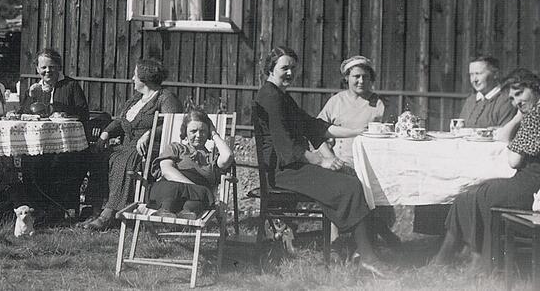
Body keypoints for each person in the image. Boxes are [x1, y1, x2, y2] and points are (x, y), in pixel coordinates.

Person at [253, 46, 389, 277]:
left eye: (292, 68)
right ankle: (368, 257)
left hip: (293, 166)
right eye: (284, 68)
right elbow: (286, 145)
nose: (289, 73)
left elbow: (313, 126)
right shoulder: (270, 97)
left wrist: (356, 131)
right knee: (351, 186)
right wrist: (320, 161)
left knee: (352, 177)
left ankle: (362, 249)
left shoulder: (282, 97)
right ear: (270, 69)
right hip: (283, 172)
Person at [432, 68, 540, 268]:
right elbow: (506, 139)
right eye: (512, 99)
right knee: (475, 192)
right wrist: (518, 116)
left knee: (472, 195)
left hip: (532, 187)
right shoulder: (532, 112)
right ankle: (471, 256)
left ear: (533, 88)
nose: (517, 102)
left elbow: (514, 160)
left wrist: (520, 121)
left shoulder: (535, 115)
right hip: (531, 183)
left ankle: (456, 258)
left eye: (519, 94)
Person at [83, 58, 183, 230]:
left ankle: (109, 214)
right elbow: (121, 121)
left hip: (152, 148)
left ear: (145, 78)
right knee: (100, 156)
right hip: (128, 145)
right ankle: (95, 209)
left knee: (125, 160)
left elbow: (173, 123)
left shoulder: (165, 98)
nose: (132, 79)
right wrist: (104, 135)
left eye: (135, 75)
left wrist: (150, 133)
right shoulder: (135, 99)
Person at [317, 55, 400, 246]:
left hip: (372, 164)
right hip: (342, 162)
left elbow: (393, 133)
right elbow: (316, 133)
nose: (361, 81)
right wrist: (329, 158)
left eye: (365, 77)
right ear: (347, 78)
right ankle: (337, 242)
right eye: (356, 76)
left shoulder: (380, 104)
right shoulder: (335, 102)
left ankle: (370, 238)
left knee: (372, 193)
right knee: (344, 189)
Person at [148, 110, 234, 219]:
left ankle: (186, 214)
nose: (198, 135)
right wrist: (192, 188)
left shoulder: (212, 156)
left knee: (198, 199)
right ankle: (165, 211)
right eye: (193, 131)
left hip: (198, 195)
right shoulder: (176, 148)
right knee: (173, 192)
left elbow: (228, 157)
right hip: (172, 186)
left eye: (203, 131)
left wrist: (214, 134)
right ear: (185, 132)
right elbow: (167, 170)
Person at [21, 48, 88, 121]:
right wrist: (30, 97)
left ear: (59, 67)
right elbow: (23, 114)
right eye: (43, 67)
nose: (48, 70)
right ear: (37, 69)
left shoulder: (71, 85)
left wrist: (66, 114)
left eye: (51, 67)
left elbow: (84, 113)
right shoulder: (34, 89)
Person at [458, 56, 516, 128]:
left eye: (478, 73)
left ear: (495, 74)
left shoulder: (506, 100)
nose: (474, 79)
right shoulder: (471, 100)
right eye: (471, 74)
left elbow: (504, 135)